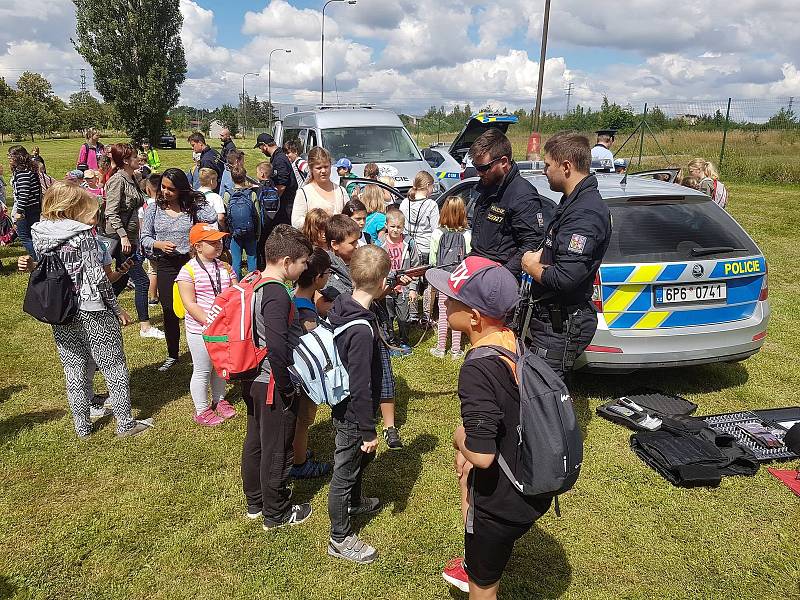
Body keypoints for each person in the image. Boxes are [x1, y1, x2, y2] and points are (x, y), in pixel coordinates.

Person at [425, 257, 551, 599]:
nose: (444, 301)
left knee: (482, 589)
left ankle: (477, 570)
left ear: (474, 318)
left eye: (451, 299)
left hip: (500, 501)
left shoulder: (478, 369)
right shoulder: (512, 342)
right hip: (529, 480)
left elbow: (481, 455)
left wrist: (458, 436)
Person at [31, 182, 152, 438]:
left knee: (74, 367)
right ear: (73, 206)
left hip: (61, 308)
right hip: (92, 307)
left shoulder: (40, 233)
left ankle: (82, 427)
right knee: (114, 365)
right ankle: (125, 424)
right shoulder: (82, 234)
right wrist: (116, 307)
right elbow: (97, 277)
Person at [521, 132, 612, 381]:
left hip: (561, 322)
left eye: (548, 165)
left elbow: (565, 277)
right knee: (547, 391)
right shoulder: (572, 201)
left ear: (566, 166)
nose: (544, 171)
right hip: (551, 317)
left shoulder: (585, 213)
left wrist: (531, 266)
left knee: (543, 394)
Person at [242, 224, 313, 528]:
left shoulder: (254, 281)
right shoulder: (276, 294)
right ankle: (277, 512)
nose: (305, 268)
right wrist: (286, 386)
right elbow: (277, 344)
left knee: (257, 440)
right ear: (286, 262)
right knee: (277, 448)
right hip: (272, 381)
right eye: (303, 262)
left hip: (253, 376)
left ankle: (255, 501)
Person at [326, 244, 391, 564]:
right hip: (354, 411)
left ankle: (354, 502)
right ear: (382, 284)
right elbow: (361, 386)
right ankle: (339, 537)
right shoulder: (362, 329)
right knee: (345, 470)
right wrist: (368, 430)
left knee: (355, 462)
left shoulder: (342, 303)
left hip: (346, 406)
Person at [140, 168, 218, 371]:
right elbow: (144, 237)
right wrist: (159, 245)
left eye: (171, 189)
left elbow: (210, 217)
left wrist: (194, 197)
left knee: (197, 306)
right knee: (170, 309)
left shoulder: (191, 207)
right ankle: (173, 353)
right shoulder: (153, 209)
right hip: (166, 264)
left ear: (181, 189)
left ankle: (203, 348)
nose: (165, 192)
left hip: (190, 262)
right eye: (163, 187)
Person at [467, 128, 552, 277]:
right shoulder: (487, 186)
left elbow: (532, 244)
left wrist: (503, 276)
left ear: (504, 162)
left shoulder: (522, 195)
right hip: (477, 271)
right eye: (476, 167)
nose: (478, 172)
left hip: (499, 279)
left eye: (484, 168)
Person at [176, 224, 238, 426]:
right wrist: (209, 321)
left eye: (219, 240)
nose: (218, 244)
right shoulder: (188, 271)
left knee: (220, 368)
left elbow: (234, 293)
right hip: (200, 331)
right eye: (212, 242)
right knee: (203, 369)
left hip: (222, 329)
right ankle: (202, 409)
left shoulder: (224, 267)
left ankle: (219, 399)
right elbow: (189, 303)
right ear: (197, 246)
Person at [104, 143, 164, 340]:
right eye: (136, 156)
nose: (139, 158)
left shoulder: (131, 177)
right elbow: (110, 212)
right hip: (119, 238)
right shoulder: (117, 181)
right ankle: (145, 327)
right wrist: (122, 236)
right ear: (126, 161)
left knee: (121, 279)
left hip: (129, 238)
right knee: (141, 280)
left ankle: (102, 310)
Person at [289, 247, 334, 479]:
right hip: (304, 376)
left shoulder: (293, 296)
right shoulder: (305, 310)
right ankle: (299, 463)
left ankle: (297, 451)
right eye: (328, 273)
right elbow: (315, 343)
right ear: (318, 278)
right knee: (303, 421)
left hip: (294, 369)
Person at [429, 195, 471, 359]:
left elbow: (433, 259)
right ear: (463, 212)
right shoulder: (467, 234)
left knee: (443, 313)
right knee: (457, 313)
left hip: (442, 279)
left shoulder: (438, 233)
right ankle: (455, 350)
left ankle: (440, 348)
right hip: (459, 280)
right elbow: (468, 258)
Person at [400, 171, 439, 324]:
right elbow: (435, 229)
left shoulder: (405, 202)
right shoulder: (431, 205)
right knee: (429, 282)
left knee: (410, 278)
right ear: (428, 186)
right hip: (425, 246)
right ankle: (427, 316)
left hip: (409, 246)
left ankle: (412, 313)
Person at [380, 206, 416, 355]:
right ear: (386, 226)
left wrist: (413, 288)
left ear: (403, 227)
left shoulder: (409, 244)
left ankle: (404, 342)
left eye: (399, 227)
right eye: (392, 226)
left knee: (403, 317)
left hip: (403, 288)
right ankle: (391, 343)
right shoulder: (380, 244)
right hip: (387, 289)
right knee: (387, 317)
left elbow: (415, 266)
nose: (395, 230)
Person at [254, 133, 297, 258]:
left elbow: (282, 185)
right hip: (282, 204)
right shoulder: (277, 157)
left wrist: (271, 202)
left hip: (284, 205)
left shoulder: (279, 160)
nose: (261, 151)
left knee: (281, 233)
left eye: (260, 148)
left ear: (264, 145)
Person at [291, 147, 349, 229]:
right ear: (311, 169)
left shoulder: (341, 191)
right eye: (318, 168)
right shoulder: (304, 193)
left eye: (326, 167)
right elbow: (296, 223)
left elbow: (350, 218)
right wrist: (319, 219)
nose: (323, 171)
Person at [224, 165, 260, 280]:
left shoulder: (227, 195)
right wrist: (257, 233)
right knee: (252, 259)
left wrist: (228, 232)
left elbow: (226, 216)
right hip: (250, 232)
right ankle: (252, 284)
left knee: (236, 260)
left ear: (231, 178)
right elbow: (257, 215)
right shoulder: (252, 194)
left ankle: (236, 283)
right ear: (245, 177)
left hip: (235, 233)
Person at [9, 145, 43, 260]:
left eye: (11, 156)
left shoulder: (22, 171)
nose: (9, 158)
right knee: (34, 235)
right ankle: (41, 257)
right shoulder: (30, 168)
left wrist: (19, 211)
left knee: (24, 236)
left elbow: (24, 193)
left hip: (27, 208)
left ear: (18, 157)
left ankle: (38, 260)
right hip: (34, 206)